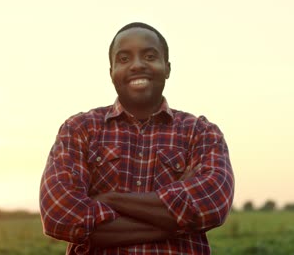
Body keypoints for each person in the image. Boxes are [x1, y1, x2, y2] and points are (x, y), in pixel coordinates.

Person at [40, 22, 234, 254]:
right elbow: (58, 214)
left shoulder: (200, 132)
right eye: (123, 59)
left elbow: (213, 205)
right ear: (111, 71)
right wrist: (180, 221)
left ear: (167, 68)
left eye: (150, 56)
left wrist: (109, 200)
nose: (137, 65)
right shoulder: (79, 130)